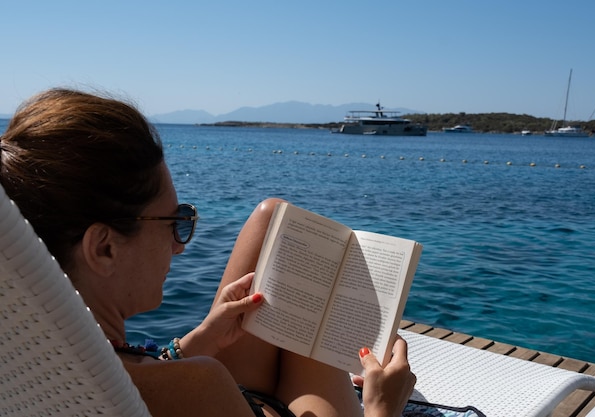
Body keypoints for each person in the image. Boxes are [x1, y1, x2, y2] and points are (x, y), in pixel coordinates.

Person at [0, 88, 416, 417]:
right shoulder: (196, 384)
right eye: (175, 223)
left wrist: (195, 343)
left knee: (274, 222)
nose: (180, 247)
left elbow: (134, 378)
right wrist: (383, 409)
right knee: (320, 298)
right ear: (104, 249)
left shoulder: (28, 351)